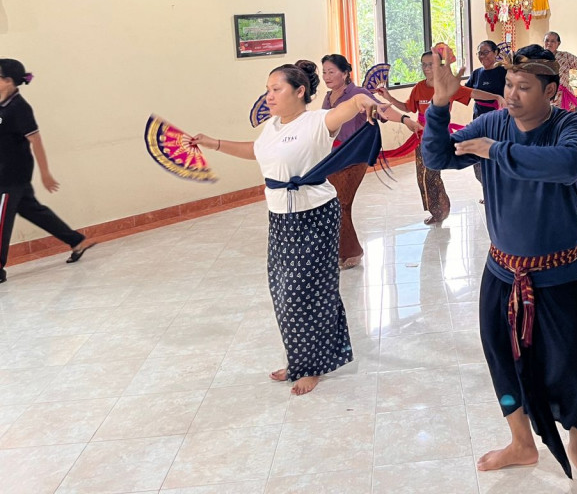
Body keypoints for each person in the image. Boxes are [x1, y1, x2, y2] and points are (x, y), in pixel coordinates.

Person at [421, 44, 577, 494]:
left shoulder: (569, 125)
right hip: (502, 271)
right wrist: (439, 103)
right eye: (508, 85)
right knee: (501, 360)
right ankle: (521, 442)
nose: (512, 95)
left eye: (524, 87)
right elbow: (437, 157)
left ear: (550, 90)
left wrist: (495, 151)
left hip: (559, 273)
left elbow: (567, 165)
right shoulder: (492, 122)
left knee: (575, 366)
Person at [188, 60, 380, 395]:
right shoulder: (272, 127)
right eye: (268, 90)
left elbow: (349, 106)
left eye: (276, 89)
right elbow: (256, 151)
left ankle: (312, 366)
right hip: (280, 218)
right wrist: (213, 142)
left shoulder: (317, 121)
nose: (269, 96)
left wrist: (365, 101)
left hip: (315, 215)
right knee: (282, 293)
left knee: (307, 292)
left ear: (300, 91)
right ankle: (300, 358)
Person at [0, 59, 96, 282]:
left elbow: (36, 141)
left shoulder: (19, 108)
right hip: (8, 173)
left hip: (11, 175)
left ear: (8, 81)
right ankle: (77, 241)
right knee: (33, 210)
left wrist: (45, 173)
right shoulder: (3, 104)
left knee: (1, 219)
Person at [321, 54, 414, 269]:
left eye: (331, 71)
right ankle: (341, 250)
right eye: (324, 72)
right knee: (336, 204)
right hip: (335, 155)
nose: (326, 76)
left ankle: (353, 252)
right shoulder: (328, 98)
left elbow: (383, 109)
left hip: (356, 155)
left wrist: (405, 119)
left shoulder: (358, 93)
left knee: (341, 202)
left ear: (345, 73)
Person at [376, 51, 472, 225]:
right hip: (420, 136)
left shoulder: (446, 85)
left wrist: (497, 97)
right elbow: (407, 107)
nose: (427, 68)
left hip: (438, 137)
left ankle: (441, 210)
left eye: (431, 64)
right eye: (424, 64)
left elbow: (473, 93)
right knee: (422, 176)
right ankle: (438, 209)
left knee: (431, 175)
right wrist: (388, 97)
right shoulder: (419, 87)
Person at [464, 40, 507, 190]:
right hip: (479, 119)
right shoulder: (476, 73)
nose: (482, 56)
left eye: (486, 52)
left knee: (496, 154)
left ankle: (500, 190)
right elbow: (465, 92)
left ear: (496, 53)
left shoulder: (504, 72)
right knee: (478, 154)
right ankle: (487, 188)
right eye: (480, 53)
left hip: (499, 121)